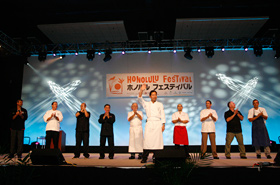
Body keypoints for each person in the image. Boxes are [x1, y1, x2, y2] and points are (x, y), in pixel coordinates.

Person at [138, 84, 166, 163]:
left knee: (157, 141)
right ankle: (144, 158)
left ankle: (156, 158)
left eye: (155, 95)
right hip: (149, 123)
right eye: (153, 95)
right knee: (147, 140)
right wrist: (141, 90)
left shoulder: (160, 104)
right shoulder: (146, 104)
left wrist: (163, 124)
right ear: (150, 96)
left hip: (157, 123)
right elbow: (140, 98)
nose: (154, 96)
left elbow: (162, 114)